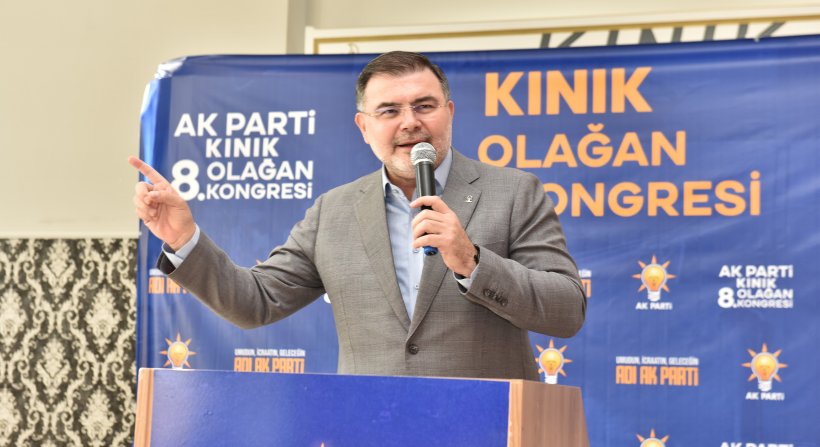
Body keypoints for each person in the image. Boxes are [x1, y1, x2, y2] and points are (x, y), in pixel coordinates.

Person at [130, 51, 586, 380]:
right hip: (368, 424)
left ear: (449, 113)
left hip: (487, 425)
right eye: (389, 110)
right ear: (363, 127)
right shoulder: (334, 211)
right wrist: (184, 238)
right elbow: (255, 302)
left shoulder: (514, 192)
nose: (410, 122)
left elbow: (567, 310)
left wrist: (472, 261)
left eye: (424, 106)